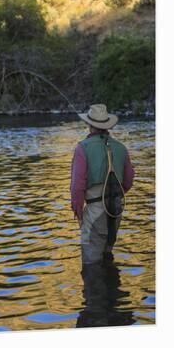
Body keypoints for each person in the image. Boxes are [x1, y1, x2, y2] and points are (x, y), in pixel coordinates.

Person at [70, 103, 135, 265]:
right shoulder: (121, 148)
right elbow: (128, 180)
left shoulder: (82, 148)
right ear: (106, 125)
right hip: (116, 210)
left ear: (89, 124)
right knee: (108, 257)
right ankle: (113, 289)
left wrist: (77, 210)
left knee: (91, 265)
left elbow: (77, 187)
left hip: (95, 212)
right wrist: (115, 196)